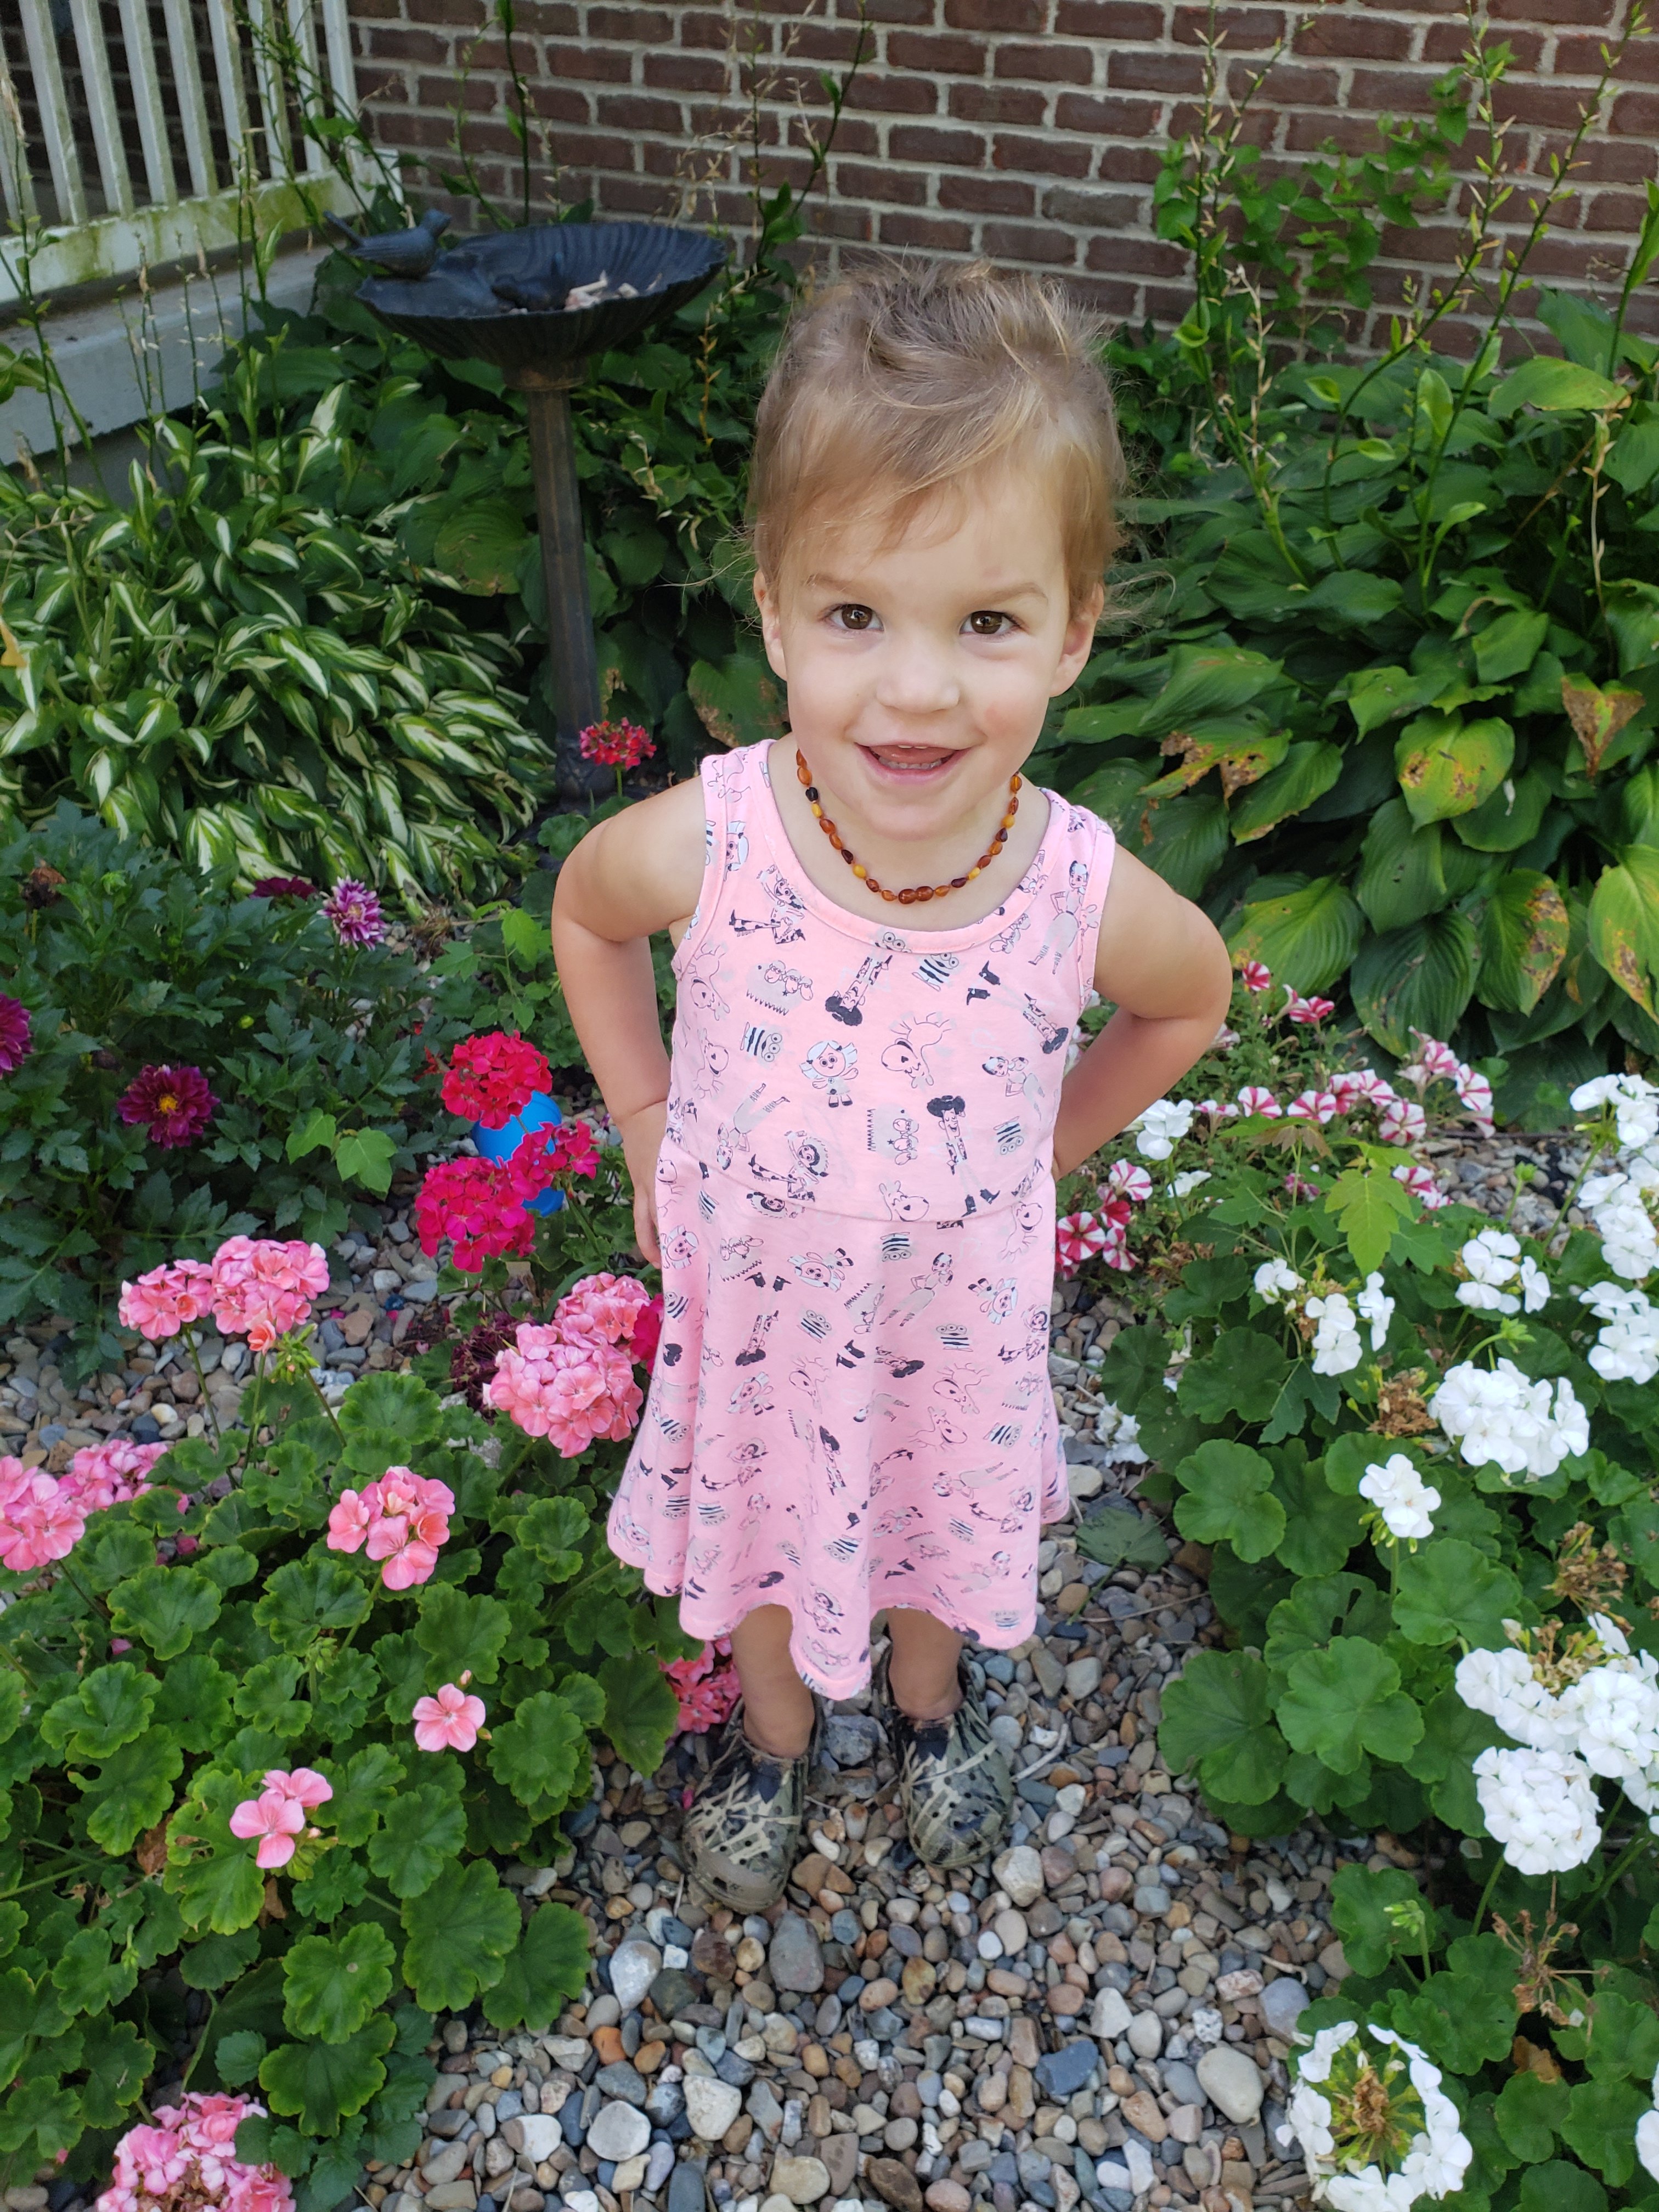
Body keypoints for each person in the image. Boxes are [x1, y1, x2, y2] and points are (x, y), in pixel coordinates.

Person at [551, 261, 1233, 1910]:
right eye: (858, 616)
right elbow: (586, 913)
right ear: (775, 608)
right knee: (774, 1534)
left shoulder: (1075, 885)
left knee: (939, 1515)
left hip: (955, 1326)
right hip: (768, 1320)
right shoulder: (710, 841)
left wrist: (1036, 1153)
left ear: (1071, 633)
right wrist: (647, 1122)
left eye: (986, 622)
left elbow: (1189, 1005)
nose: (918, 689)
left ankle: (933, 1709)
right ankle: (772, 1733)